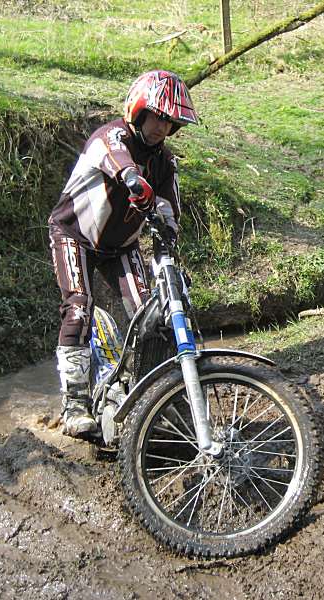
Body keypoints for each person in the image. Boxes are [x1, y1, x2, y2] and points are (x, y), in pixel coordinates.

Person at [48, 70, 198, 437]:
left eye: (170, 121)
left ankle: (142, 389)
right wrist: (135, 181)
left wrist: (167, 242)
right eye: (157, 117)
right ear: (139, 110)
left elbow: (169, 214)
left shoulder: (165, 163)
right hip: (74, 234)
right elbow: (119, 165)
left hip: (122, 246)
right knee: (78, 307)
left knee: (150, 314)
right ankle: (75, 404)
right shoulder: (111, 136)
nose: (162, 127)